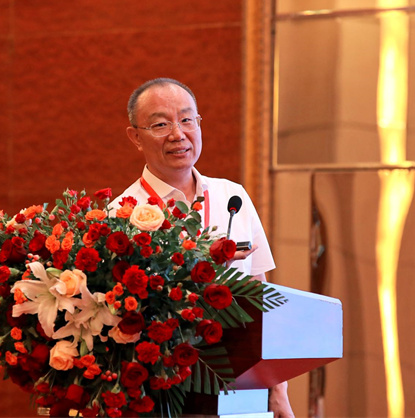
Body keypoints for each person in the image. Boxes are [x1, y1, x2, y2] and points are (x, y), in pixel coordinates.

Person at [112, 77, 295, 418]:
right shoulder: (121, 215)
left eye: (187, 120)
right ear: (135, 137)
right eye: (160, 124)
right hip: (163, 394)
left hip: (243, 389)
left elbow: (261, 298)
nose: (177, 134)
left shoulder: (232, 196)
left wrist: (278, 390)